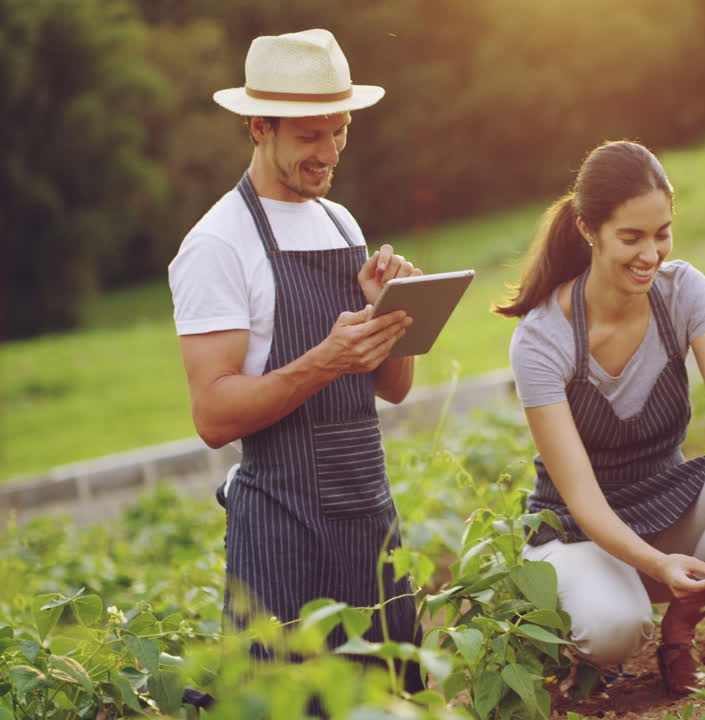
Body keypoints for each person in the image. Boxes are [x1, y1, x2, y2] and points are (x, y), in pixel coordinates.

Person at [495, 140, 705, 696]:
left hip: (665, 500)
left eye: (662, 233)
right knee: (615, 630)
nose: (651, 254)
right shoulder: (542, 339)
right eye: (631, 237)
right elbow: (581, 498)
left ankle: (680, 631)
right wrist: (656, 564)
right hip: (579, 529)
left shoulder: (683, 293)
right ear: (588, 229)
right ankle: (589, 614)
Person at [167, 29, 424, 695]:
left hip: (367, 514)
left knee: (393, 700)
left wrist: (394, 318)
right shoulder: (217, 245)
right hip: (282, 528)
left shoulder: (341, 224)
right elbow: (213, 417)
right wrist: (324, 360)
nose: (331, 150)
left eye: (338, 131)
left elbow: (393, 390)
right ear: (259, 127)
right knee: (286, 703)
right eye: (311, 136)